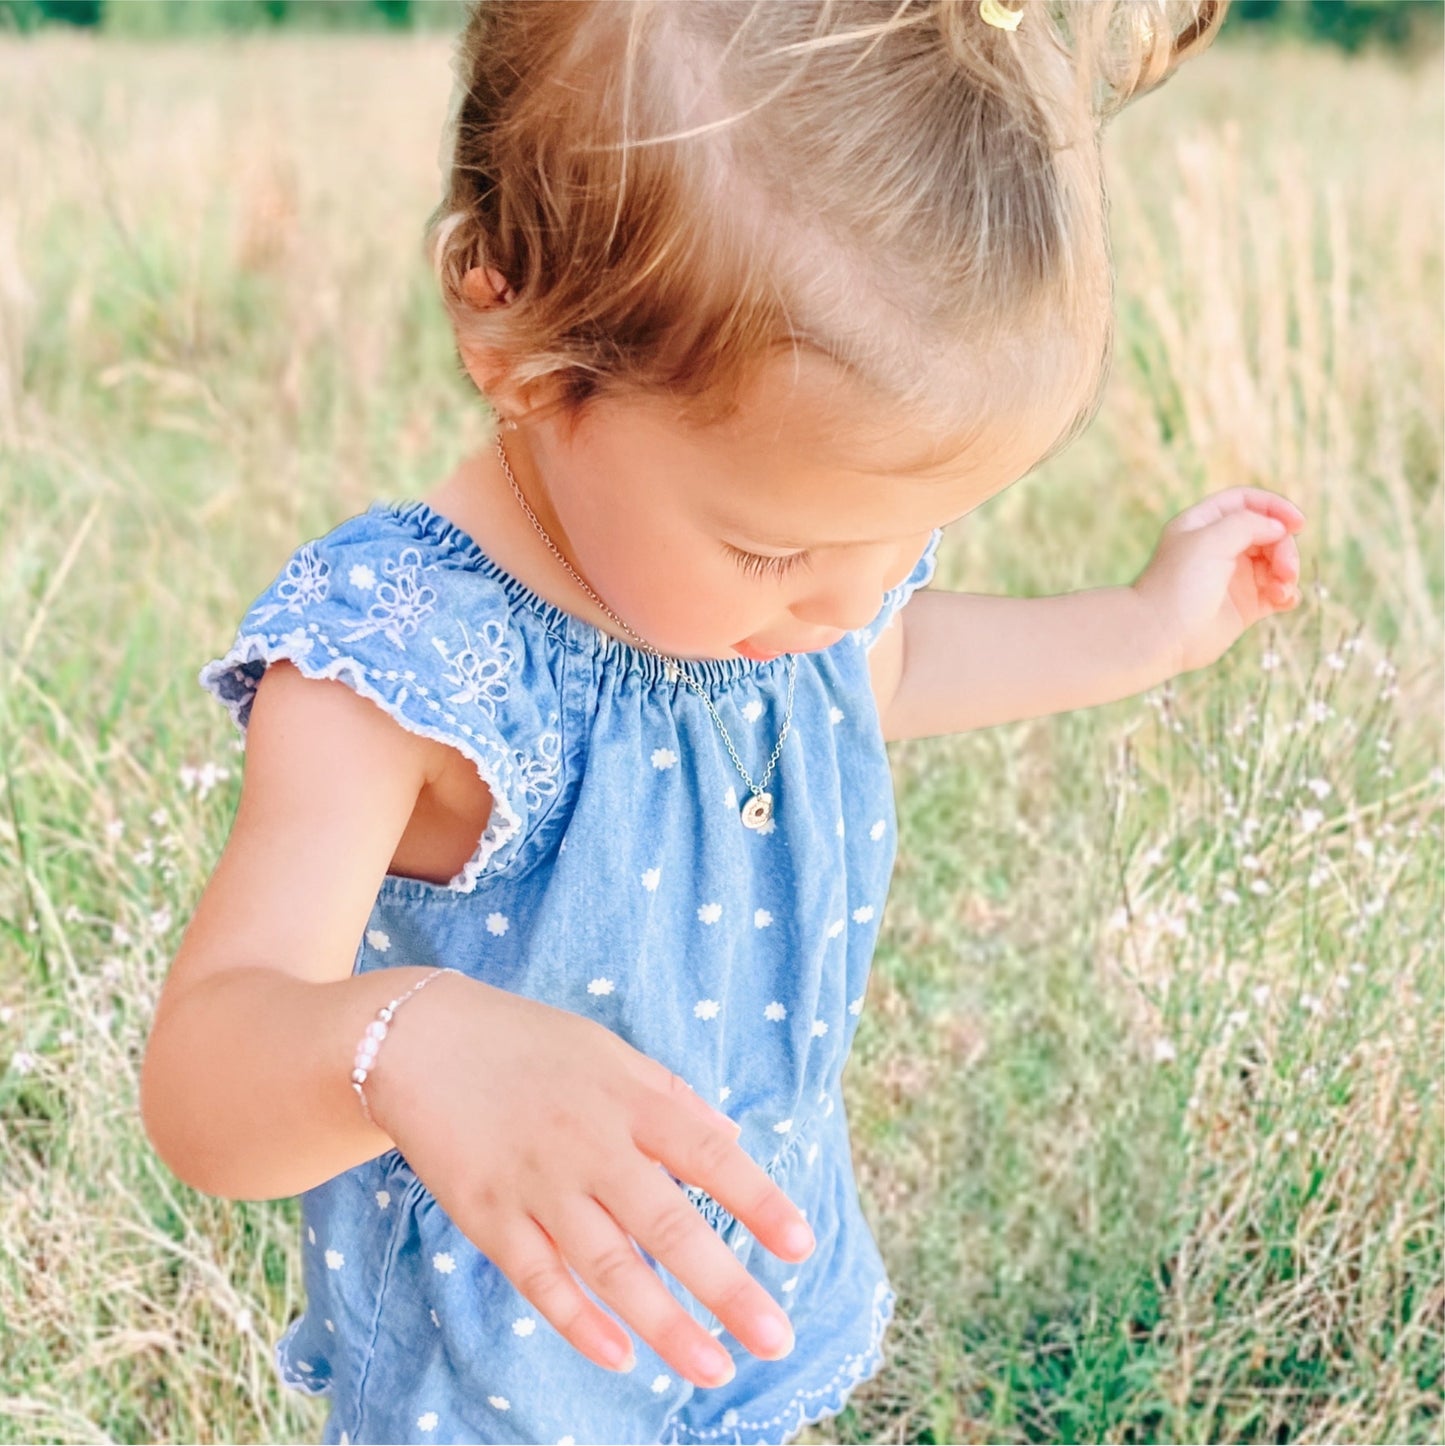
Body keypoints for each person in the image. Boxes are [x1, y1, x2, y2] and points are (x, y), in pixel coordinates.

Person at [140, 1, 1305, 1441]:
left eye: (916, 529)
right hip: (503, 1385)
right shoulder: (401, 664)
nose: (850, 599)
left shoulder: (801, 611)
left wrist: (1141, 628)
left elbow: (890, 662)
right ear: (516, 331)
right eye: (772, 550)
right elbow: (204, 1076)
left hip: (737, 1320)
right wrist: (407, 1039)